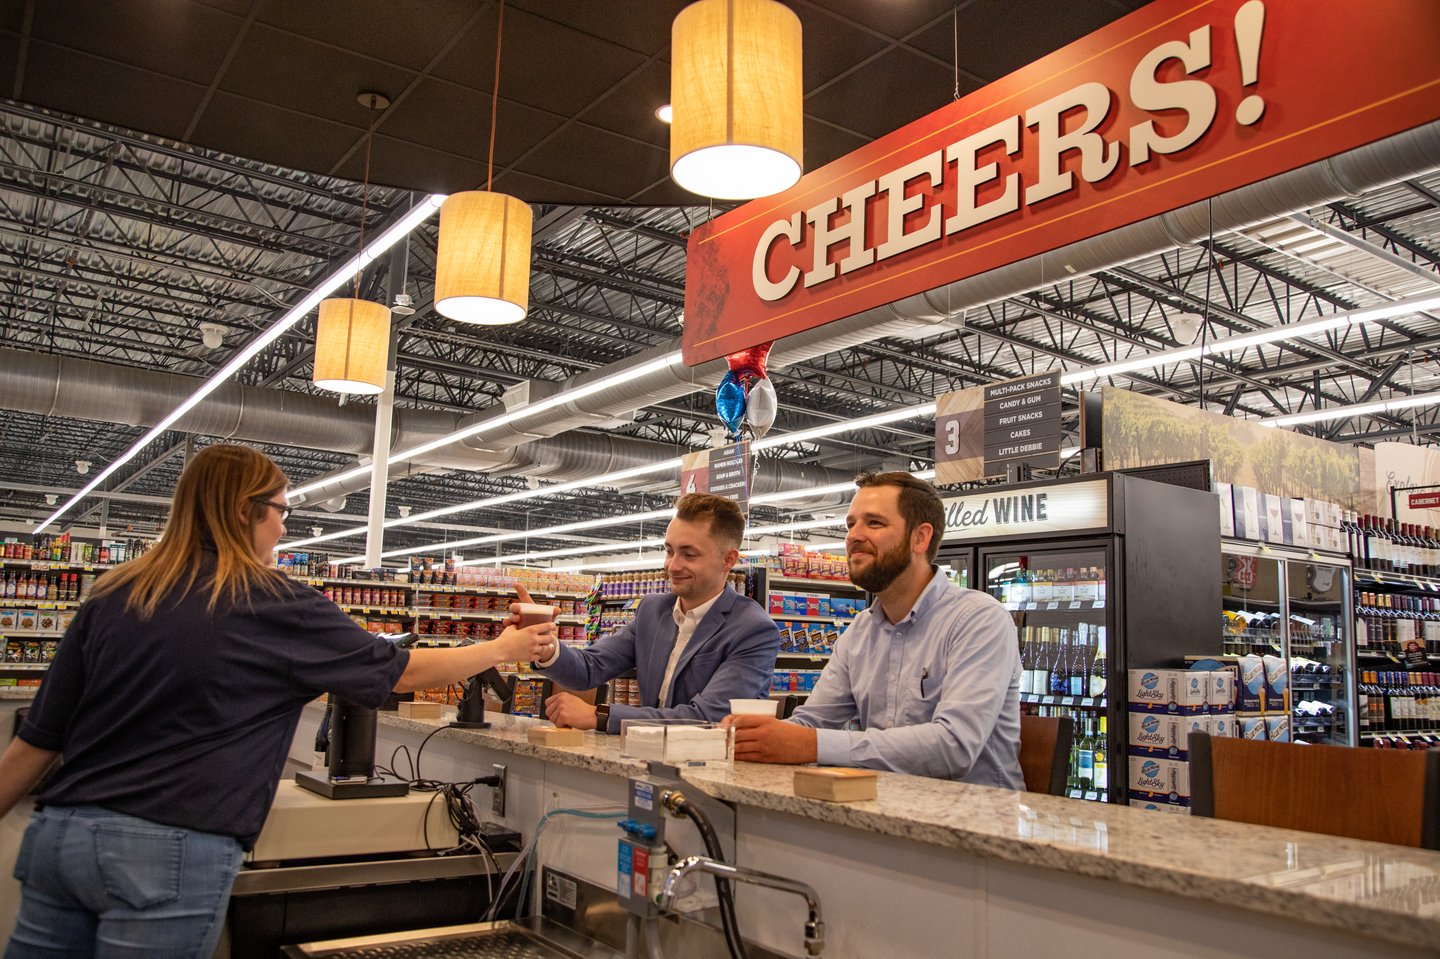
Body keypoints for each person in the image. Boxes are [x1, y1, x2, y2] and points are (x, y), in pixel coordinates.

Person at [0, 444, 553, 959]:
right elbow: (401, 672)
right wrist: (500, 648)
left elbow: (38, 739)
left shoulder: (116, 594)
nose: (284, 526)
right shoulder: (270, 601)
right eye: (281, 510)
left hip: (59, 838)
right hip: (167, 849)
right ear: (246, 511)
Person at [730, 472, 1024, 788]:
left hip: (979, 820)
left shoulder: (978, 620)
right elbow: (812, 722)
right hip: (883, 806)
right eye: (850, 524)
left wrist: (812, 743)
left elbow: (954, 746)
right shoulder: (860, 632)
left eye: (874, 523)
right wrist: (757, 736)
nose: (854, 536)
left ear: (920, 538)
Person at [535, 492, 780, 733]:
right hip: (648, 758)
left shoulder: (753, 629)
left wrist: (599, 715)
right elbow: (591, 667)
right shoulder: (653, 610)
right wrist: (543, 646)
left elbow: (707, 719)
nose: (672, 566)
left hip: (712, 768)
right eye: (669, 550)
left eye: (689, 554)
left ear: (729, 560)